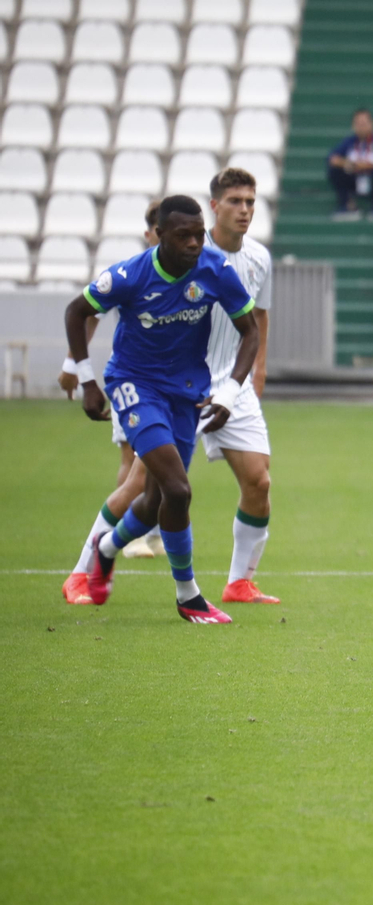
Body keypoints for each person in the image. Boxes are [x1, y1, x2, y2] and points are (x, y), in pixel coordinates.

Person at [61, 175, 281, 606]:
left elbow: (258, 320)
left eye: (251, 201)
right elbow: (86, 310)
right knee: (150, 485)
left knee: (258, 480)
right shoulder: (168, 261)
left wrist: (255, 375)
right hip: (159, 380)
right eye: (235, 200)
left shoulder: (257, 259)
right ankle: (83, 572)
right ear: (215, 206)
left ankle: (239, 582)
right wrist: (79, 368)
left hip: (224, 383)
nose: (245, 209)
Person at [60, 201, 164, 600]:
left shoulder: (192, 273)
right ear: (150, 234)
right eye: (162, 231)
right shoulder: (132, 272)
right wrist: (76, 366)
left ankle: (138, 536)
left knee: (162, 479)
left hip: (174, 389)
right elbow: (88, 313)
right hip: (134, 386)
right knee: (134, 467)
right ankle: (93, 563)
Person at [327, 108, 373, 220]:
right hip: (354, 179)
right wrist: (351, 164)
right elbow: (332, 158)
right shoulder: (349, 142)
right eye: (357, 123)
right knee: (335, 171)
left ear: (372, 124)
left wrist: (364, 166)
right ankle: (347, 206)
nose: (361, 127)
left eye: (364, 123)